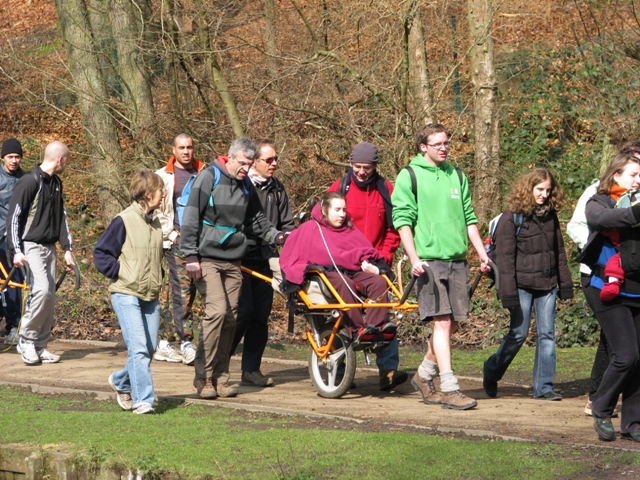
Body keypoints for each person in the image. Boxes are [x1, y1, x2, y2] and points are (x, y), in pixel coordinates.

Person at [391, 123, 489, 410]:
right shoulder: (409, 176)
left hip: (457, 260)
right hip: (429, 262)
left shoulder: (457, 175)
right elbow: (403, 222)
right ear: (423, 147)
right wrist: (413, 259)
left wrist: (482, 253)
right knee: (442, 322)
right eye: (437, 144)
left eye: (446, 143)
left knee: (453, 323)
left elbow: (469, 218)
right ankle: (449, 387)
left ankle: (423, 375)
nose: (444, 147)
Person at [180, 137, 286, 399]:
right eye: (242, 163)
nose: (245, 169)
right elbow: (191, 216)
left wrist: (277, 237)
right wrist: (190, 255)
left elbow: (257, 219)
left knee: (231, 318)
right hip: (207, 259)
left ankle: (221, 378)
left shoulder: (245, 184)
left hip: (233, 261)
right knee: (217, 313)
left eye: (249, 164)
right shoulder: (209, 178)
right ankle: (203, 378)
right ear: (230, 157)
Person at [482, 168, 573, 401]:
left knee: (547, 335)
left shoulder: (551, 215)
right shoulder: (511, 216)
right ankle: (492, 370)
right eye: (539, 189)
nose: (543, 194)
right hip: (521, 285)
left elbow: (559, 252)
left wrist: (565, 285)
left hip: (548, 284)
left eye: (547, 190)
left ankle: (544, 387)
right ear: (528, 189)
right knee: (518, 334)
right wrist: (508, 293)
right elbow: (505, 258)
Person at [327, 142, 406, 391]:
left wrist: (382, 257)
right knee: (341, 308)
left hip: (373, 262)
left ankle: (388, 370)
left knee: (384, 307)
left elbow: (394, 229)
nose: (361, 172)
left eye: (367, 168)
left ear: (375, 167)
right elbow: (325, 227)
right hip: (342, 263)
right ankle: (339, 370)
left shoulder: (386, 189)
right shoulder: (339, 189)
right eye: (357, 167)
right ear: (350, 164)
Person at [279, 192, 396, 342]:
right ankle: (356, 330)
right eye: (337, 210)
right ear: (324, 210)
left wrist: (372, 266)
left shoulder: (349, 228)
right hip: (326, 274)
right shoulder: (310, 228)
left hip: (353, 270)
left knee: (378, 282)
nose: (342, 214)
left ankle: (376, 327)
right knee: (343, 282)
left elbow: (364, 249)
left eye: (344, 210)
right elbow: (294, 255)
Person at [580, 152, 640, 442]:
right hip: (606, 287)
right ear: (616, 175)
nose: (638, 180)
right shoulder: (599, 201)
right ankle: (601, 409)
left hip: (638, 288)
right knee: (626, 354)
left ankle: (634, 422)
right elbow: (605, 219)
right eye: (633, 174)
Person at [94, 170, 164, 415]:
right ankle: (143, 400)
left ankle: (122, 381)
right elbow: (101, 254)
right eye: (160, 190)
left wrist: (160, 277)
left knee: (150, 348)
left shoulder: (155, 222)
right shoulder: (123, 220)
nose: (163, 194)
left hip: (150, 294)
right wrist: (121, 272)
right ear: (147, 193)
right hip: (126, 292)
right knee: (139, 349)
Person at [229, 139, 294, 387]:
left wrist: (289, 242)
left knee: (260, 315)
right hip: (240, 258)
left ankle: (251, 369)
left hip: (266, 258)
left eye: (276, 159)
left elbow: (286, 225)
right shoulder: (241, 186)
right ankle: (220, 362)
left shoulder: (277, 188)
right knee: (241, 313)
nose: (274, 164)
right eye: (269, 160)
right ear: (255, 161)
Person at [7, 141, 75, 365]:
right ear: (59, 159)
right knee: (41, 291)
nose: (67, 164)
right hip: (31, 246)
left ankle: (40, 344)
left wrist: (68, 249)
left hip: (50, 247)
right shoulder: (29, 181)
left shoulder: (56, 183)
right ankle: (25, 340)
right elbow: (14, 218)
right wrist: (16, 251)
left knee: (50, 297)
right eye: (66, 160)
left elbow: (61, 218)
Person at [154, 133, 206, 365]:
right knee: (183, 292)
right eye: (181, 147)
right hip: (176, 241)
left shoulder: (205, 173)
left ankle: (165, 342)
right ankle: (186, 341)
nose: (186, 151)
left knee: (182, 292)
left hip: (202, 242)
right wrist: (172, 235)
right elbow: (156, 210)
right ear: (173, 150)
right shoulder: (162, 176)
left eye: (190, 147)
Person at [0, 138, 25, 345]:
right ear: (3, 158)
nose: (14, 160)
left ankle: (14, 326)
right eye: (10, 157)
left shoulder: (26, 180)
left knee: (14, 283)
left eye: (17, 157)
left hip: (15, 241)